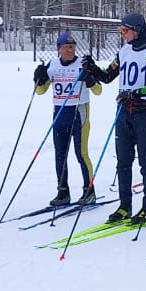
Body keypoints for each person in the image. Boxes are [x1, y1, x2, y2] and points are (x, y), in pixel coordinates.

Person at [86, 13, 146, 225]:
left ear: (138, 29)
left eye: (125, 31)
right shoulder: (123, 52)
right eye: (121, 31)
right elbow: (107, 76)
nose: (122, 35)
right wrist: (92, 68)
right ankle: (124, 206)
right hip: (124, 112)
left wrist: (140, 91)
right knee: (123, 162)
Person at [33, 31, 102, 207]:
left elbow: (98, 90)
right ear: (59, 49)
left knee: (81, 154)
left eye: (73, 47)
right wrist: (38, 78)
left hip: (79, 114)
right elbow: (40, 91)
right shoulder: (53, 65)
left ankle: (89, 191)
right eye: (67, 47)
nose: (70, 50)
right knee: (60, 155)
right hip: (60, 114)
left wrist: (91, 80)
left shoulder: (82, 64)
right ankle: (63, 192)